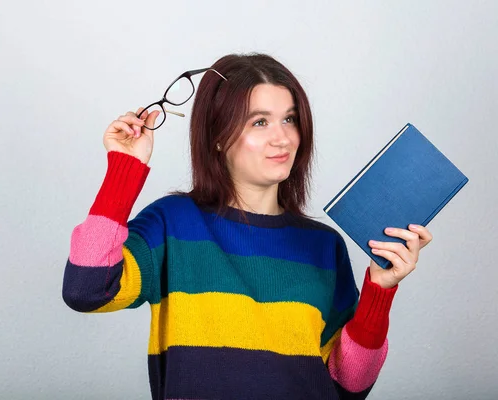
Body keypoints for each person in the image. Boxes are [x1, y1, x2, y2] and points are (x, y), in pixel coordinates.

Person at [62, 52, 433, 400]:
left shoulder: (324, 245)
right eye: (259, 121)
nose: (283, 137)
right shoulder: (172, 223)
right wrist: (124, 169)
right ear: (219, 137)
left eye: (290, 119)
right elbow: (87, 289)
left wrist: (379, 292)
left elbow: (349, 384)